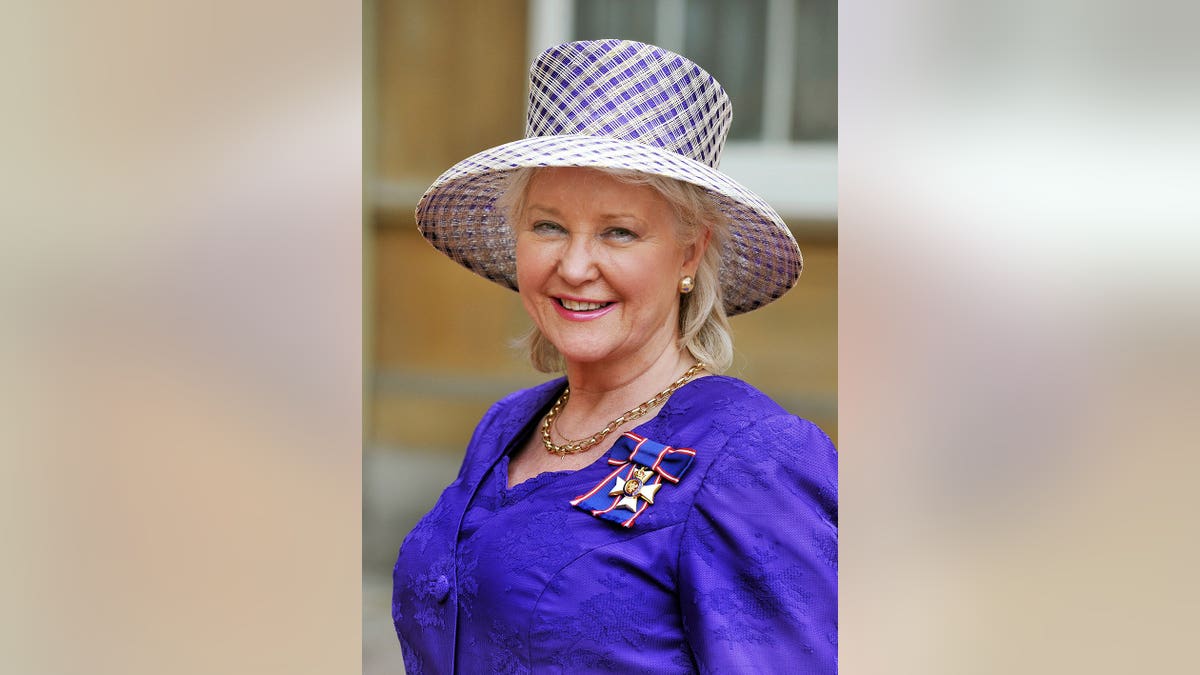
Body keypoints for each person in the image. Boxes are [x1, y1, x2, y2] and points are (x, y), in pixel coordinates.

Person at [392, 39, 837, 673]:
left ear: (688, 254)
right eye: (548, 226)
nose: (574, 267)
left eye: (619, 232)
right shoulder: (506, 425)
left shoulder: (755, 458)